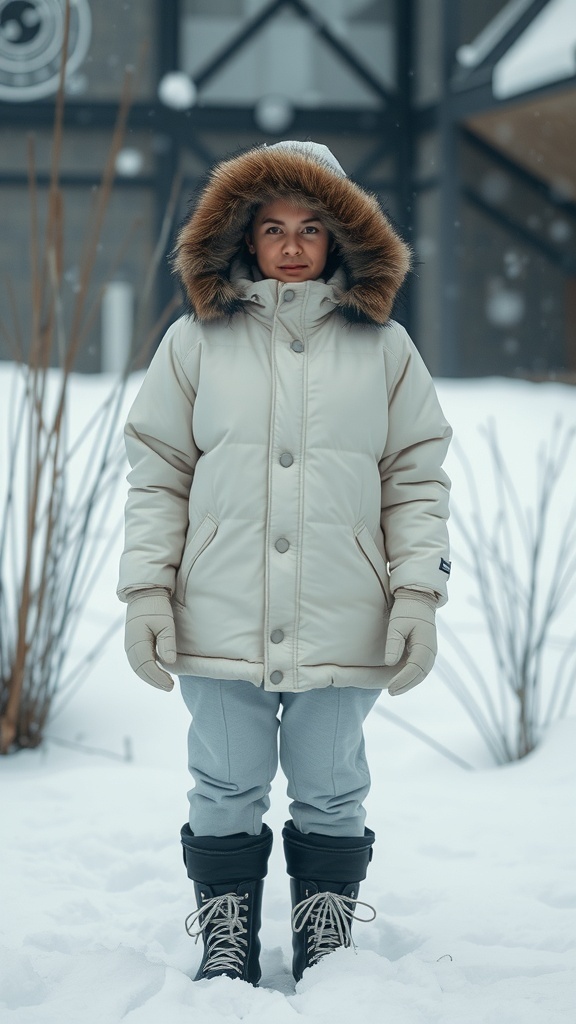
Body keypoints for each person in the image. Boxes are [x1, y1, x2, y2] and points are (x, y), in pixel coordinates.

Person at [117, 140, 452, 987]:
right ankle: (225, 933)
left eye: (311, 226)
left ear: (341, 234)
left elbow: (415, 478)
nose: (293, 246)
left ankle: (324, 934)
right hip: (218, 608)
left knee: (332, 786)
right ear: (243, 236)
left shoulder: (386, 350)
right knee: (223, 780)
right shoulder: (194, 344)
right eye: (273, 228)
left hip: (344, 611)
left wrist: (416, 590)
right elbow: (158, 472)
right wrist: (147, 589)